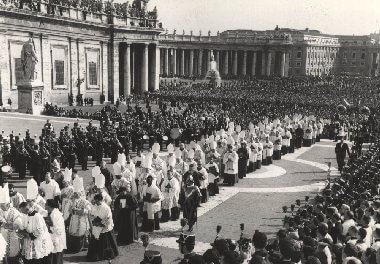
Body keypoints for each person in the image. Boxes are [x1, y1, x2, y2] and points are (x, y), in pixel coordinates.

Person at [87, 193, 118, 262]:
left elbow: (108, 218)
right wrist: (94, 222)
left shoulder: (106, 208)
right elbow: (92, 214)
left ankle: (105, 255)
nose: (96, 203)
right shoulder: (95, 206)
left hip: (104, 227)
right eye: (95, 201)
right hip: (97, 226)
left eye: (97, 201)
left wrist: (101, 224)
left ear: (100, 200)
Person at [67, 176, 91, 253]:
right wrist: (72, 210)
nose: (75, 194)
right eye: (74, 193)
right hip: (74, 219)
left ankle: (82, 246)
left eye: (76, 193)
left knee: (81, 233)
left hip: (81, 220)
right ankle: (74, 247)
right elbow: (69, 210)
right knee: (73, 232)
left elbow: (88, 209)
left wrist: (80, 210)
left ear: (80, 193)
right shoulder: (72, 201)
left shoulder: (84, 201)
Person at [0, 183, 23, 264]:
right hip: (2, 237)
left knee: (12, 257)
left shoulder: (14, 212)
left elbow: (19, 223)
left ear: (8, 204)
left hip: (12, 237)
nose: (1, 207)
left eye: (3, 206)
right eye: (0, 205)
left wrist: (11, 225)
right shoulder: (0, 210)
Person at [45, 199, 66, 264]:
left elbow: (59, 230)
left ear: (49, 206)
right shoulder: (51, 212)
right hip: (52, 238)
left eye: (46, 204)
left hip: (57, 239)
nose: (44, 205)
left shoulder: (56, 214)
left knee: (56, 259)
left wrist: (49, 227)